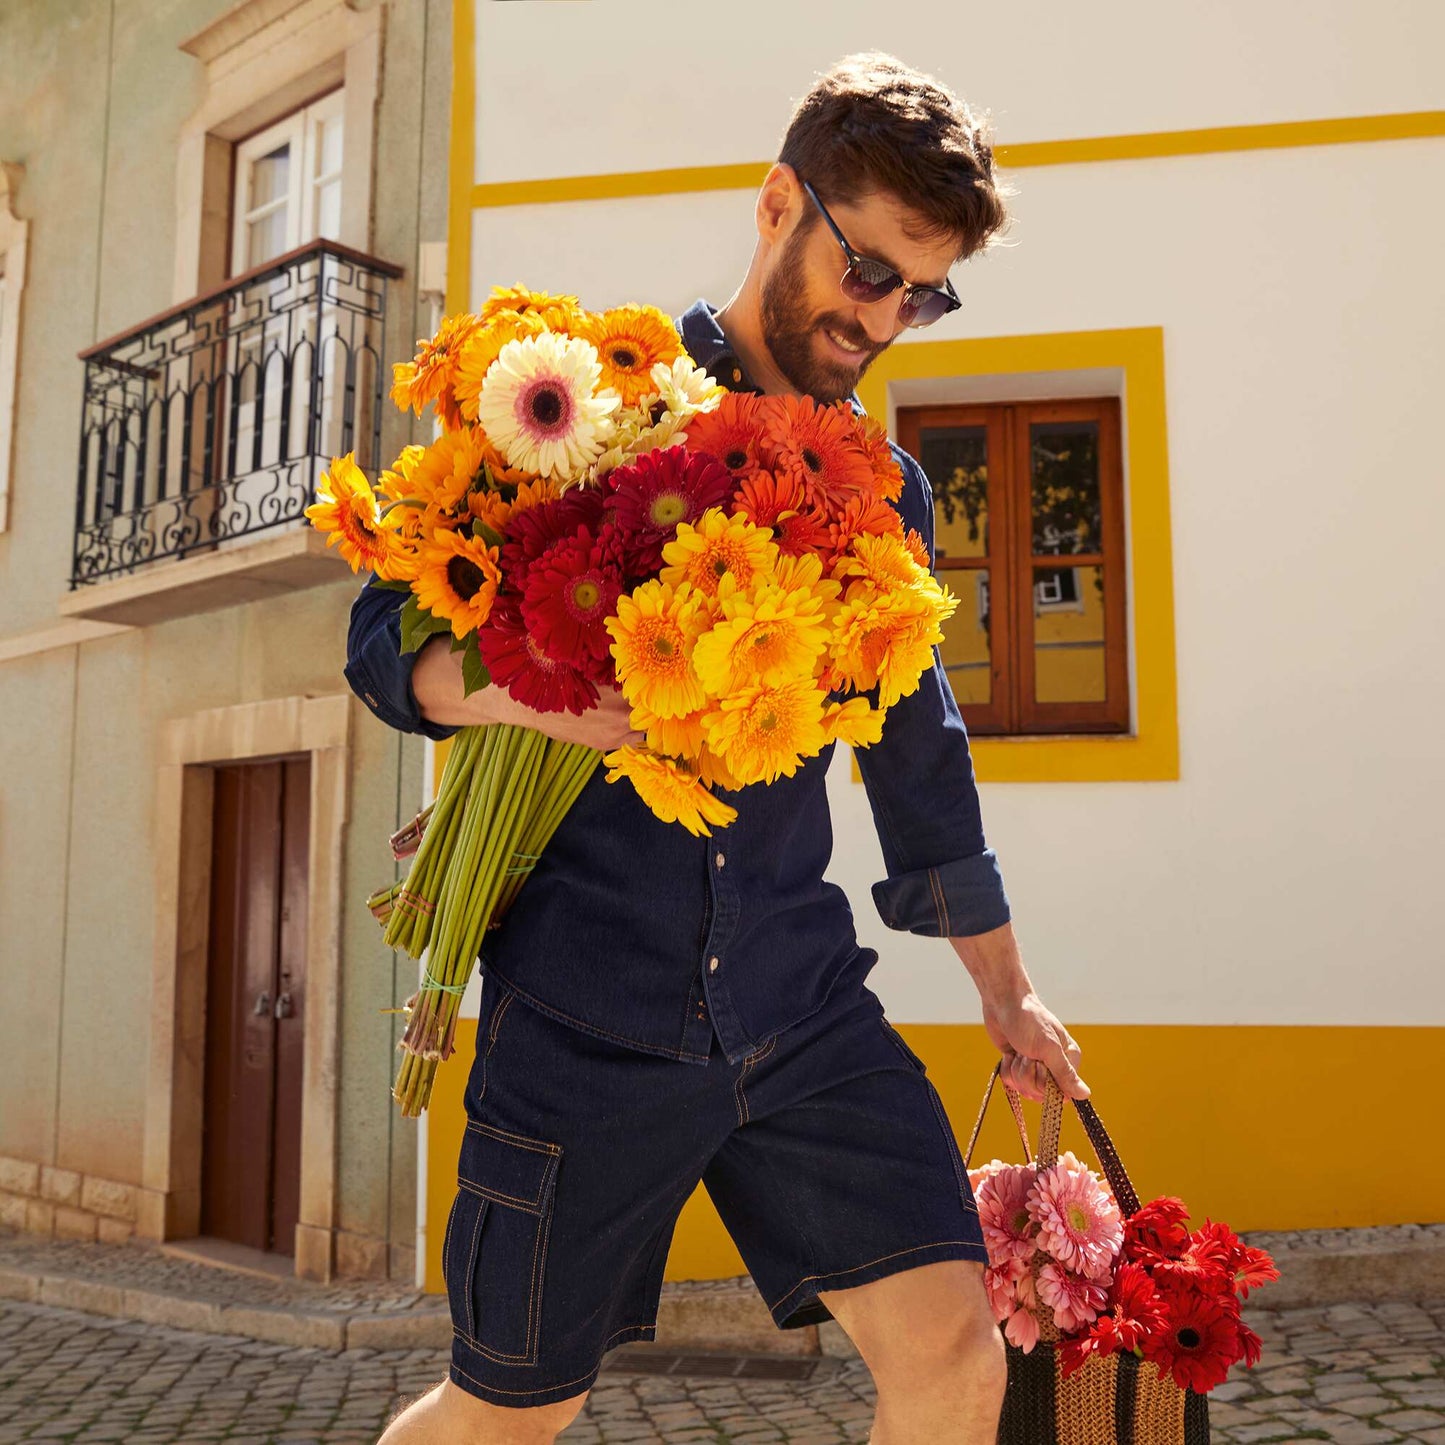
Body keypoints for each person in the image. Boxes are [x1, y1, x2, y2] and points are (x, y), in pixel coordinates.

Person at [356, 51, 1089, 1445]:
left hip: (797, 1004)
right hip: (581, 1019)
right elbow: (385, 649)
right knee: (508, 1410)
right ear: (775, 205)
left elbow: (918, 759)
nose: (882, 317)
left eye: (920, 293)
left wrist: (1007, 992)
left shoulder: (886, 495)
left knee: (957, 1357)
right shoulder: (588, 407)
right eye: (866, 269)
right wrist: (539, 695)